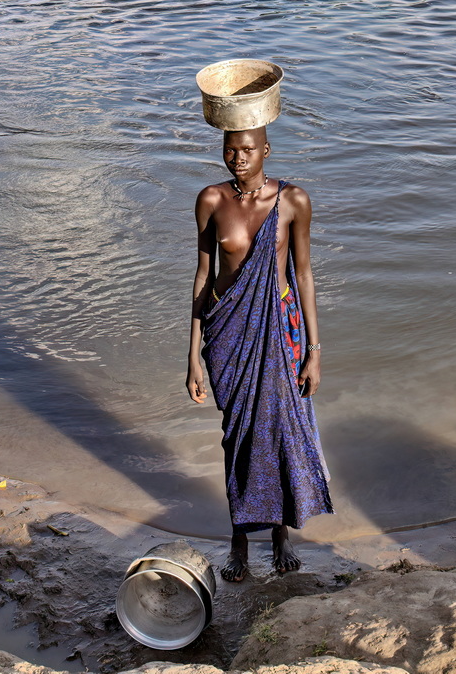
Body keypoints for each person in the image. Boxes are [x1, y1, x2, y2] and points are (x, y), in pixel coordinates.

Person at [186, 126, 332, 582]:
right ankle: (239, 539)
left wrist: (314, 351)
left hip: (279, 329)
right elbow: (203, 275)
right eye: (230, 150)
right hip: (227, 332)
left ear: (266, 149)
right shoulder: (210, 200)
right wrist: (192, 355)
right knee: (238, 436)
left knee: (279, 429)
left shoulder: (293, 201)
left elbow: (303, 275)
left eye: (248, 149)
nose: (239, 158)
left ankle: (281, 533)